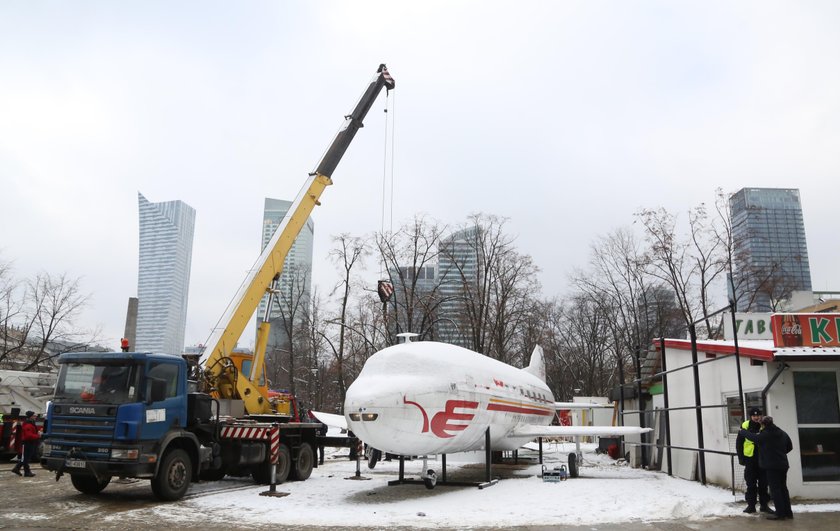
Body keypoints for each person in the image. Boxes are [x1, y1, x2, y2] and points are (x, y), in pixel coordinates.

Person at [739, 416, 794, 520]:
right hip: (783, 465)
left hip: (771, 466)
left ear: (763, 424)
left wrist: (742, 431)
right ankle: (788, 513)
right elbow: (790, 446)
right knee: (783, 488)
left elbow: (753, 437)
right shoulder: (782, 432)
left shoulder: (765, 434)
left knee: (775, 490)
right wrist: (780, 453)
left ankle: (780, 514)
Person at [736, 407, 772, 514]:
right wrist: (741, 458)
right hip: (750, 459)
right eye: (754, 416)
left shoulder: (764, 425)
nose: (756, 417)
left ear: (761, 416)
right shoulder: (745, 426)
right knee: (751, 484)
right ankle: (751, 505)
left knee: (764, 484)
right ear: (750, 417)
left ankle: (764, 505)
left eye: (758, 415)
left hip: (763, 459)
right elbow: (739, 444)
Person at [11, 411, 39, 477]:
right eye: (34, 416)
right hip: (27, 443)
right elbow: (28, 436)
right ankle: (26, 472)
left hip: (29, 442)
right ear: (30, 417)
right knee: (26, 458)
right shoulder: (28, 425)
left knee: (25, 458)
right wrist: (38, 436)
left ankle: (17, 468)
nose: (35, 417)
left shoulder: (30, 424)